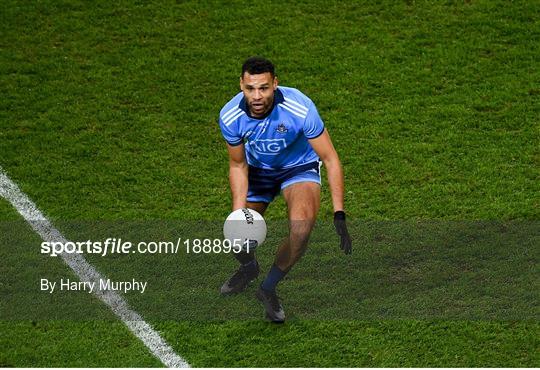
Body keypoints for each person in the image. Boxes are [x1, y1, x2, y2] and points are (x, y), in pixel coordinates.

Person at [218, 56, 352, 323]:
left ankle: (268, 288)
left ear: (275, 84)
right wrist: (238, 214)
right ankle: (248, 267)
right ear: (241, 85)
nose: (257, 96)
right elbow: (237, 164)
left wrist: (339, 212)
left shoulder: (300, 107)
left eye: (264, 88)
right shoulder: (230, 116)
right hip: (258, 170)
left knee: (301, 231)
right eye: (250, 88)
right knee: (237, 239)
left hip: (298, 168)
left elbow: (330, 158)